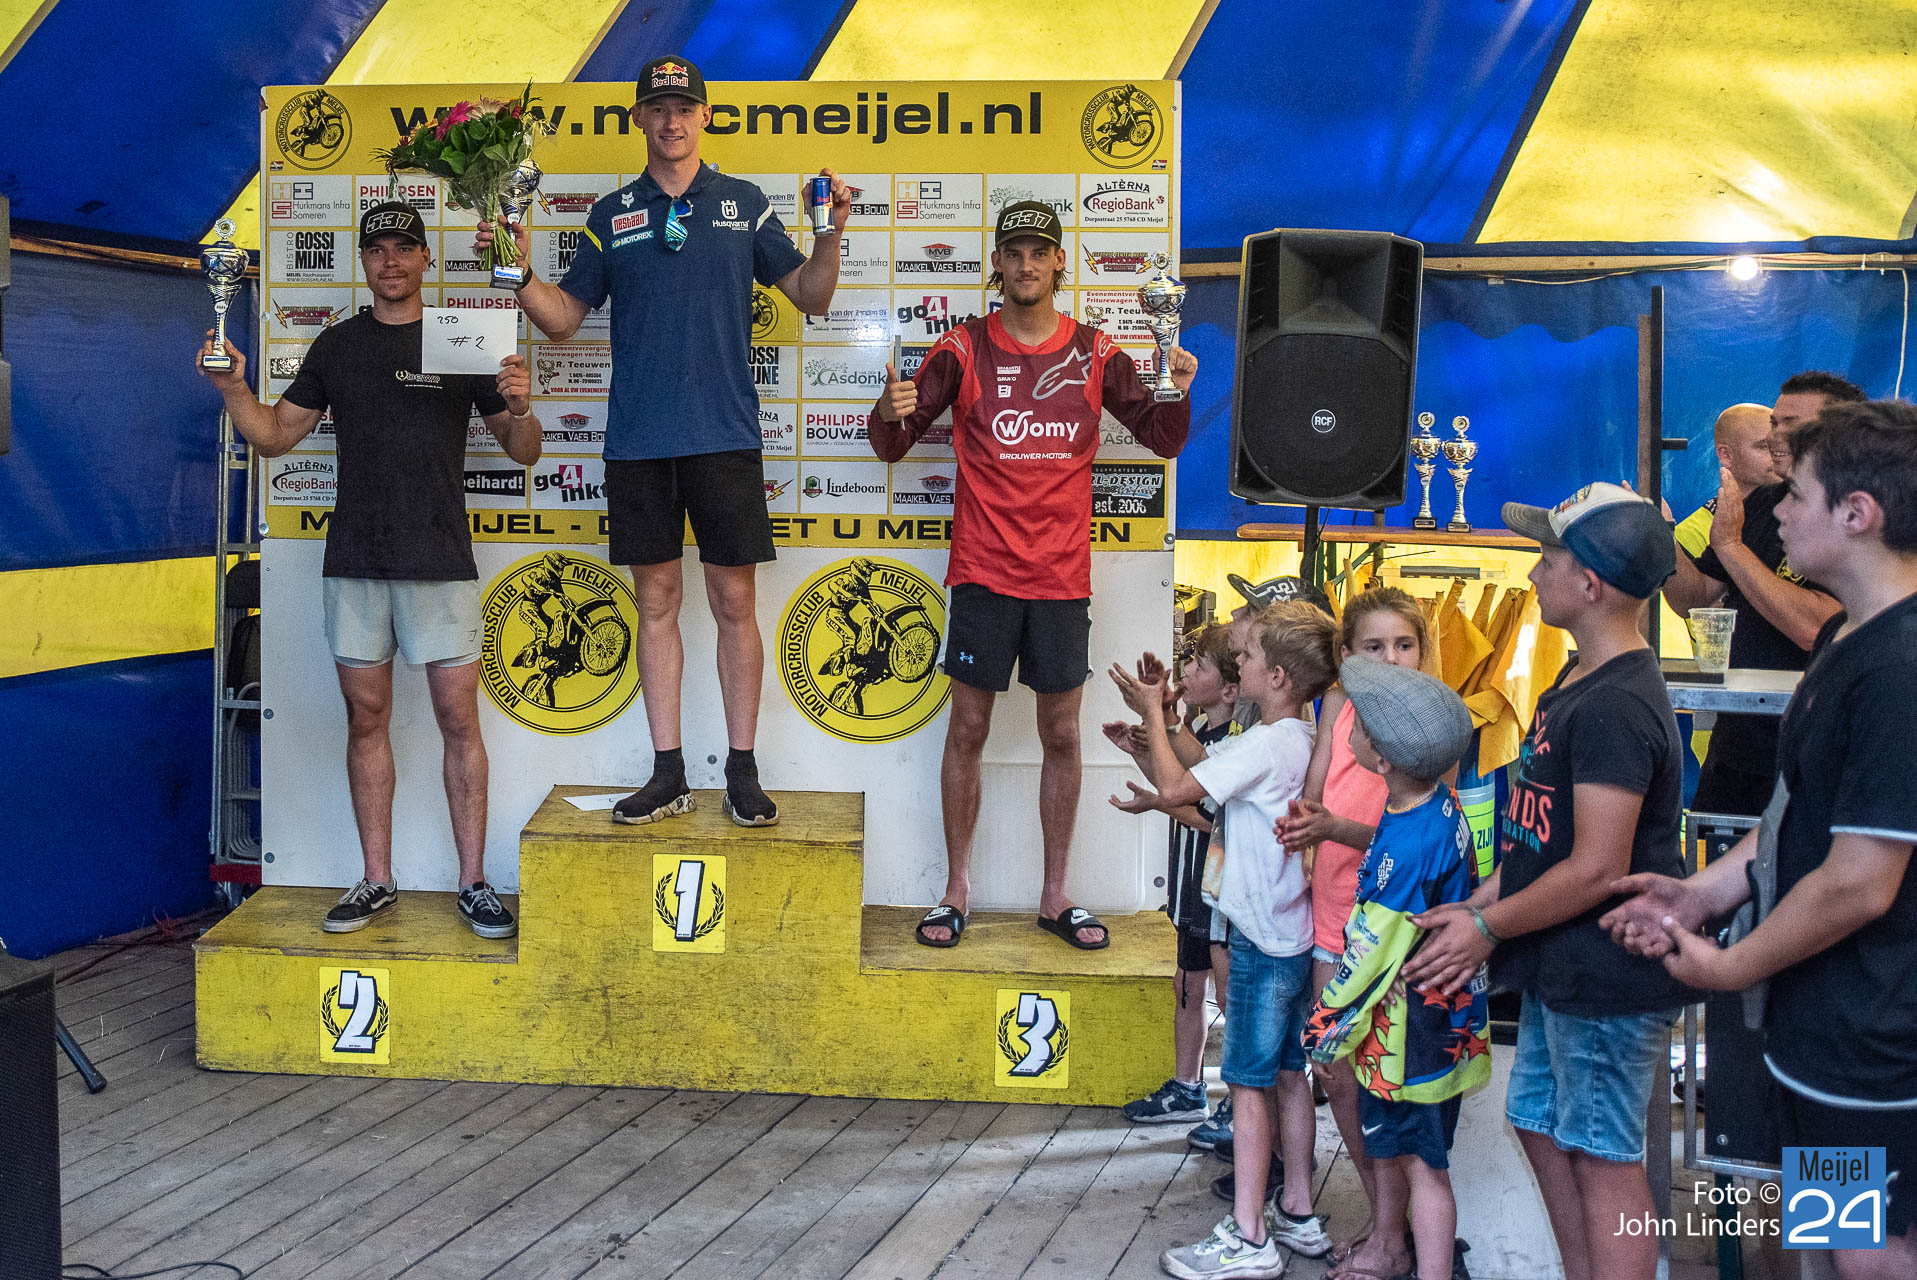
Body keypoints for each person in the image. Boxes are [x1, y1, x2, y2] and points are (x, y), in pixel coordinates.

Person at [479, 55, 852, 829]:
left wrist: (830, 235)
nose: (672, 120)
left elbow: (812, 298)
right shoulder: (610, 213)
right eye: (658, 107)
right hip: (639, 441)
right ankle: (668, 771)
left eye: (684, 107)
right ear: (639, 119)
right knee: (655, 601)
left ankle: (742, 769)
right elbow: (562, 319)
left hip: (723, 435)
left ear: (705, 116)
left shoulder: (744, 204)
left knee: (734, 600)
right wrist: (514, 268)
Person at [1605, 400, 1917, 1280]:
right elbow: (1798, 810)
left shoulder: (1899, 669)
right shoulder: (1847, 638)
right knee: (1833, 1235)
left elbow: (1859, 881)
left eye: (1796, 494)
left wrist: (1731, 965)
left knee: (1873, 1249)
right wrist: (1701, 893)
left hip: (1875, 1031)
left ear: (1857, 513)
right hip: (1820, 1024)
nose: (1775, 511)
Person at [197, 201, 541, 938]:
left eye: (404, 248)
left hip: (441, 562)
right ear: (363, 260)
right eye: (378, 248)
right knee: (366, 719)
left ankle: (474, 882)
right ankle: (377, 878)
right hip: (355, 562)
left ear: (424, 260)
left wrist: (520, 408)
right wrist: (232, 388)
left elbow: (523, 451)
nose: (391, 260)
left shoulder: (460, 335)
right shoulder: (338, 344)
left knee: (459, 721)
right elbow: (274, 437)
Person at [869, 200, 1196, 950]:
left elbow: (1161, 438)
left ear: (1058, 264)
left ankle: (1055, 895)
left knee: (1060, 734)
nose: (1025, 265)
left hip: (1060, 580)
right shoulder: (962, 347)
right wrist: (886, 409)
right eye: (1013, 253)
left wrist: (1176, 388)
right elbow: (893, 444)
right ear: (996, 263)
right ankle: (955, 891)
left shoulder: (1096, 351)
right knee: (968, 729)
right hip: (982, 573)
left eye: (1038, 253)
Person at [1403, 482, 1690, 1280]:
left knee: (1602, 1157)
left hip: (1605, 975)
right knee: (1537, 1122)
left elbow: (1596, 866)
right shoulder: (1576, 680)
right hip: (1559, 967)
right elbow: (1542, 838)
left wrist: (1486, 928)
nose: (1533, 574)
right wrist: (1482, 899)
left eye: (1547, 559)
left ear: (1589, 584)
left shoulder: (1615, 707)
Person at [1108, 600, 1338, 1277]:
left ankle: (1248, 1235)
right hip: (1292, 934)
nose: (1240, 662)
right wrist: (1167, 720)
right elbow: (1208, 768)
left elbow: (1180, 784)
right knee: (1290, 1078)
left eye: (1249, 657)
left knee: (1246, 1086)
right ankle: (1297, 1211)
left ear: (1278, 678)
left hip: (1259, 940)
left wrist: (1153, 715)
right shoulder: (1293, 737)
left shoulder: (1266, 744)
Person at [1305, 657, 1487, 1280]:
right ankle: (1393, 1248)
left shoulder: (1406, 844)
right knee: (1406, 1151)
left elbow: (1371, 951)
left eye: (1358, 725)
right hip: (1436, 1024)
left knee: (1423, 1166)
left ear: (1380, 759)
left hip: (1408, 1036)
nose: (1348, 730)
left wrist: (1324, 1026)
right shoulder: (1434, 807)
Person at [1275, 586, 1437, 1258]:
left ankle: (1398, 1231)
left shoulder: (1434, 718)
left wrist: (1332, 828)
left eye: (1403, 644)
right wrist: (1298, 821)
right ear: (1345, 654)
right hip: (1332, 911)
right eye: (1373, 646)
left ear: (1422, 651)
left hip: (1396, 922)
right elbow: (1313, 791)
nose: (1390, 658)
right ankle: (1381, 1216)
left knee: (1389, 1075)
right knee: (1335, 1068)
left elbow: (1415, 840)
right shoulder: (1337, 704)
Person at [1663, 373, 1864, 814]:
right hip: (1737, 744)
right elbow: (1693, 599)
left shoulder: (1857, 517)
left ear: (1841, 433)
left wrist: (1731, 547)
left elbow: (1817, 628)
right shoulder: (1760, 503)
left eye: (1791, 424)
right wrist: (1661, 535)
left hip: (1811, 751)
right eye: (1774, 422)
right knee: (1718, 851)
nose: (1774, 436)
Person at [1105, 623, 1242, 1129]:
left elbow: (1207, 815)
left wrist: (1156, 799)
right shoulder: (1197, 732)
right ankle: (1188, 1086)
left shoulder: (1237, 744)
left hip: (1219, 885)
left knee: (1228, 995)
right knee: (1187, 984)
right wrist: (1142, 752)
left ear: (1230, 689)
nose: (1187, 670)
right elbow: (1175, 786)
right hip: (1190, 882)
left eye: (1199, 665)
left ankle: (1241, 1101)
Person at [1671, 402, 1778, 556]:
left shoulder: (1803, 515)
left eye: (1782, 444)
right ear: (1726, 456)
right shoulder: (1692, 534)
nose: (1779, 454)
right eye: (1764, 447)